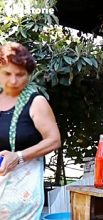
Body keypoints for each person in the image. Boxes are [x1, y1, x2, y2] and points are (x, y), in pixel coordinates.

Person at [0, 42, 61, 219]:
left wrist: (18, 157)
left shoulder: (36, 102)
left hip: (21, 198)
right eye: (7, 74)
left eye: (20, 75)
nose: (13, 80)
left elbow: (54, 140)